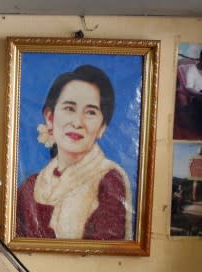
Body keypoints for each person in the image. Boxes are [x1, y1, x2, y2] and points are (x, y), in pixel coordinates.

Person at [16, 65, 133, 240]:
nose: (78, 122)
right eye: (70, 108)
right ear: (50, 117)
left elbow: (104, 253)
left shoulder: (109, 180)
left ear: (102, 127)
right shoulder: (29, 187)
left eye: (91, 112)